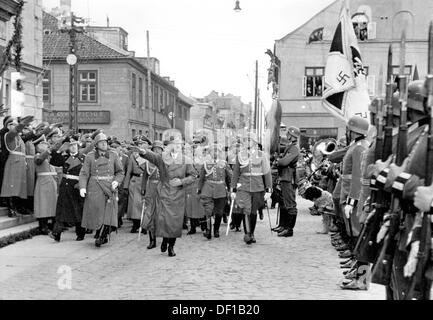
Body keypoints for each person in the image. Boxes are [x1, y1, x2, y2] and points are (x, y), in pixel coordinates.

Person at [136, 130, 196, 257]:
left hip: (177, 194)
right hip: (163, 192)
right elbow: (153, 157)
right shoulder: (163, 158)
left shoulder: (186, 160)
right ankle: (164, 240)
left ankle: (171, 246)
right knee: (163, 220)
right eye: (174, 145)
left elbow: (193, 176)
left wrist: (181, 181)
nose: (176, 147)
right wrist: (143, 152)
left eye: (179, 145)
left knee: (174, 221)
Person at [339, 115, 370, 290]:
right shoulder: (357, 146)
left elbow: (358, 177)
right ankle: (359, 274)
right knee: (356, 239)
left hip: (355, 198)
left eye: (349, 129)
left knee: (360, 240)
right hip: (351, 196)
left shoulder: (359, 148)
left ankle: (362, 280)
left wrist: (351, 201)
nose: (347, 132)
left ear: (354, 131)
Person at [79, 133, 124, 247]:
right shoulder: (90, 156)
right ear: (96, 144)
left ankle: (103, 236)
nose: (104, 144)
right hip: (95, 185)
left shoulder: (114, 155)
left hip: (110, 186)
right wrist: (82, 187)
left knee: (110, 212)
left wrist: (117, 181)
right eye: (101, 142)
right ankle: (100, 233)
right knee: (97, 212)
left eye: (105, 142)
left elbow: (120, 172)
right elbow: (84, 173)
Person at [230, 132, 272, 245]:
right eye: (245, 140)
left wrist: (268, 189)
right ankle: (247, 233)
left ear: (254, 142)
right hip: (244, 186)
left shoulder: (261, 155)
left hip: (258, 186)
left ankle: (252, 233)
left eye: (249, 140)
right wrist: (233, 188)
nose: (247, 143)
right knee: (246, 209)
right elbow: (235, 173)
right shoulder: (240, 155)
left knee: (253, 211)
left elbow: (267, 173)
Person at [50, 137, 87, 242]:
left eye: (75, 145)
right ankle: (56, 233)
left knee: (77, 210)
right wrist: (59, 150)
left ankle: (80, 233)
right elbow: (53, 162)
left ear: (78, 146)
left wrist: (82, 185)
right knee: (61, 210)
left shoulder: (83, 158)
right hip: (65, 186)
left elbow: (87, 173)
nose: (73, 147)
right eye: (70, 145)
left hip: (76, 186)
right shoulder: (64, 157)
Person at [1, 116, 34, 216]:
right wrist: (22, 124)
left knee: (19, 187)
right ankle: (11, 207)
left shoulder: (19, 138)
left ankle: (16, 206)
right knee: (11, 186)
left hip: (20, 163)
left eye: (15, 125)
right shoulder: (8, 135)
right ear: (8, 126)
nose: (14, 126)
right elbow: (15, 131)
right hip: (13, 162)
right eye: (12, 125)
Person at [198, 143, 232, 239]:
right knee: (208, 211)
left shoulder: (224, 164)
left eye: (217, 151)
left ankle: (216, 229)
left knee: (219, 212)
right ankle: (208, 231)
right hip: (208, 189)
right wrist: (199, 189)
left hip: (220, 190)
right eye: (213, 151)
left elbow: (230, 176)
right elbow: (201, 178)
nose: (215, 153)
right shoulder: (205, 163)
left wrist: (232, 189)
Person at [274, 126, 300, 238]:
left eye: (288, 133)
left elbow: (284, 162)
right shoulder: (290, 146)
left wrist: (278, 161)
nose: (287, 135)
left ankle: (289, 229)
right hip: (285, 176)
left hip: (288, 177)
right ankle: (284, 226)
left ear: (292, 135)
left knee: (290, 203)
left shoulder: (294, 148)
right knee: (284, 202)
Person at [124, 137, 150, 234]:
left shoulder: (149, 156)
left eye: (142, 144)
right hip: (135, 181)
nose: (140, 147)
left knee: (144, 204)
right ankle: (135, 224)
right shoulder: (133, 156)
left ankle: (144, 225)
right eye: (138, 145)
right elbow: (128, 171)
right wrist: (126, 185)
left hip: (145, 180)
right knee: (134, 205)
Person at [141, 140, 164, 249]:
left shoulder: (165, 161)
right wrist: (143, 188)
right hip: (151, 189)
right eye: (155, 149)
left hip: (162, 189)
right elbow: (145, 176)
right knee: (150, 214)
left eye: (159, 149)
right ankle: (152, 240)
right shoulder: (147, 162)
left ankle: (165, 239)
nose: (157, 151)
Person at [33, 138, 58, 235]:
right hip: (43, 184)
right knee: (43, 205)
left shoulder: (48, 157)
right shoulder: (37, 156)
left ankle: (52, 225)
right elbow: (39, 160)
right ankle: (43, 226)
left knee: (51, 205)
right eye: (44, 144)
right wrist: (48, 150)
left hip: (51, 183)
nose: (46, 146)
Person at [185, 137, 206, 235]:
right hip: (190, 184)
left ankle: (204, 225)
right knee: (191, 206)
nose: (195, 148)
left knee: (201, 205)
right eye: (193, 146)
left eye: (197, 145)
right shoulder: (188, 159)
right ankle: (192, 227)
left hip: (201, 183)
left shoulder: (205, 159)